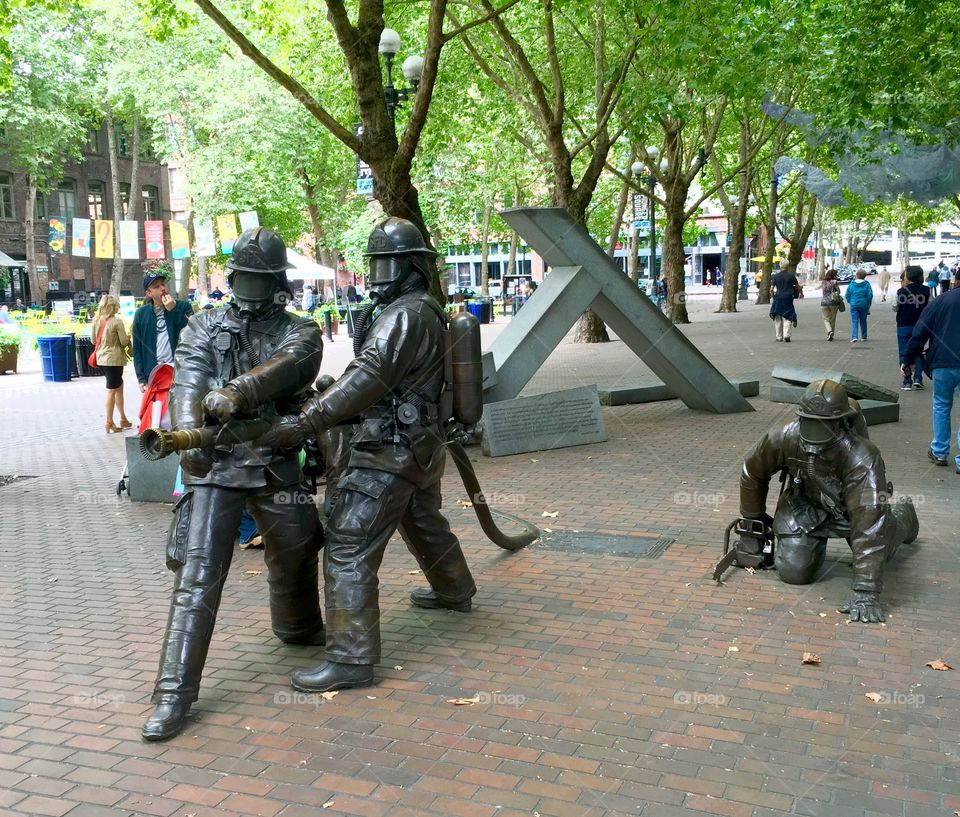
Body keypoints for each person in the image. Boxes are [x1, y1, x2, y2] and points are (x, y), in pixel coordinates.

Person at [262, 217, 477, 694]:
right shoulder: (421, 309)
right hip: (418, 447)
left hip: (388, 451)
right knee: (421, 517)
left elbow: (367, 380)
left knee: (347, 542)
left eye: (387, 263)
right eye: (377, 262)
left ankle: (351, 658)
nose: (380, 272)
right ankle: (455, 588)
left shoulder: (404, 316)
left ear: (409, 267)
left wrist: (304, 423)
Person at [142, 228, 325, 742]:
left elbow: (292, 365)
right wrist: (190, 440)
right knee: (198, 576)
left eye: (261, 279)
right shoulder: (202, 326)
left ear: (276, 282)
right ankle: (172, 695)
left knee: (297, 547)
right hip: (219, 467)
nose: (252, 288)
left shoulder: (301, 328)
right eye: (244, 277)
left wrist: (240, 391)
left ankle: (298, 627)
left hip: (274, 459)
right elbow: (188, 381)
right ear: (233, 277)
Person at [734, 379, 918, 623]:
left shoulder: (862, 456)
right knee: (793, 571)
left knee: (881, 552)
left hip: (854, 511)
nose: (814, 434)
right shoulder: (784, 437)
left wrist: (865, 591)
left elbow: (869, 523)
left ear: (841, 423)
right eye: (809, 424)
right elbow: (752, 470)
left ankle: (905, 515)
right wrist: (752, 524)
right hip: (805, 508)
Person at [901, 279, 960, 470]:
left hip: (943, 363)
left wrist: (908, 357)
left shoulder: (942, 300)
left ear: (955, 281)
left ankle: (940, 451)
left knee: (941, 406)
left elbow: (920, 331)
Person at [132, 263, 193, 393]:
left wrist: (174, 310)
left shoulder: (184, 307)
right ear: (149, 293)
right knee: (157, 412)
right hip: (154, 373)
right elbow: (137, 348)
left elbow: (192, 333)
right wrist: (141, 378)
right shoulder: (141, 314)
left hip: (180, 371)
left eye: (163, 284)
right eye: (156, 287)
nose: (162, 288)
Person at [92, 295, 133, 433]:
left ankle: (123, 418)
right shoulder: (117, 322)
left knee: (118, 386)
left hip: (102, 358)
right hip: (114, 359)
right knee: (111, 390)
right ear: (113, 307)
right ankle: (109, 421)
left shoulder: (96, 320)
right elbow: (123, 341)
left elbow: (93, 340)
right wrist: (129, 336)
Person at [894, 266, 929, 390]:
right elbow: (928, 308)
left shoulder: (901, 291)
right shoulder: (926, 290)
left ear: (908, 276)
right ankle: (918, 378)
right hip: (920, 326)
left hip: (903, 325)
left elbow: (895, 307)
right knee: (918, 352)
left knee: (904, 352)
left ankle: (907, 381)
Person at [769, 261, 799, 342]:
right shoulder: (791, 276)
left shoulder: (775, 276)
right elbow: (797, 286)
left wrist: (773, 296)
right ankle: (786, 335)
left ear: (780, 266)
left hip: (778, 298)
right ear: (788, 266)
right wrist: (800, 293)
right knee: (788, 316)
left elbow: (771, 289)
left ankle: (779, 336)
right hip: (788, 298)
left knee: (778, 317)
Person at [844, 268, 873, 342]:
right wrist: (868, 303)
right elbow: (870, 295)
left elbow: (847, 295)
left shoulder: (852, 284)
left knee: (855, 321)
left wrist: (851, 301)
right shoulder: (867, 284)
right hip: (864, 305)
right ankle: (864, 337)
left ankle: (854, 336)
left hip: (854, 305)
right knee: (863, 320)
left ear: (856, 275)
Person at [819, 269, 841, 341]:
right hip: (833, 302)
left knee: (826, 319)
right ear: (834, 275)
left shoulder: (823, 282)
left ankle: (829, 331)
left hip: (824, 303)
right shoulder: (834, 282)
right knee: (832, 319)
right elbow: (838, 291)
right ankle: (831, 334)